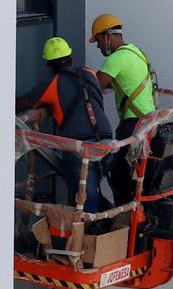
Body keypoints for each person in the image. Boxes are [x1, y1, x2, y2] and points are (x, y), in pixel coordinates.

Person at [17, 36, 112, 213]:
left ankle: (84, 232)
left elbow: (24, 102)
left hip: (80, 148)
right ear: (71, 58)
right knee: (91, 189)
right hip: (107, 143)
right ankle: (95, 225)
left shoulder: (51, 84)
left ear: (49, 66)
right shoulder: (90, 73)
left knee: (84, 197)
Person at [89, 13, 157, 205]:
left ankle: (124, 216)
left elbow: (95, 85)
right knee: (140, 175)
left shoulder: (116, 59)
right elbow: (126, 82)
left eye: (99, 41)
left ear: (108, 36)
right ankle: (136, 214)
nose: (99, 47)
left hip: (133, 125)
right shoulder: (136, 51)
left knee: (116, 171)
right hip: (150, 122)